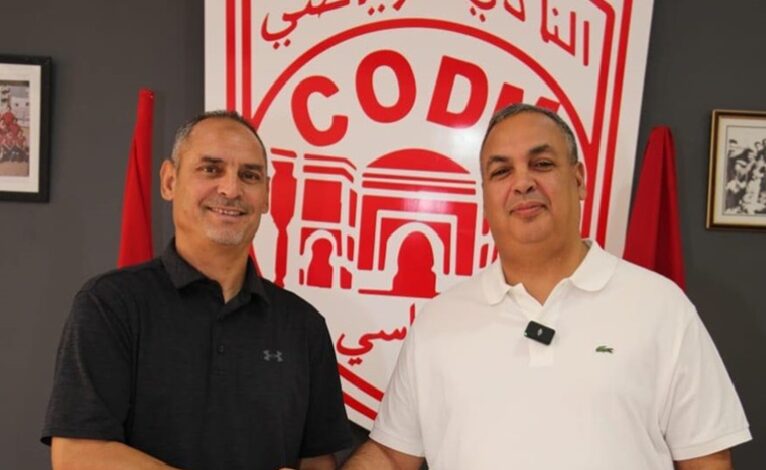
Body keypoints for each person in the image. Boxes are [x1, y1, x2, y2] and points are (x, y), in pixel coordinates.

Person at [342, 103, 751, 470]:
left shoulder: (661, 307)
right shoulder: (438, 321)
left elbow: (706, 459)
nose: (522, 183)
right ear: (485, 197)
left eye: (541, 164)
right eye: (501, 171)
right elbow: (392, 457)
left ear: (579, 179)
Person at [42, 111, 351, 470]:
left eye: (249, 175)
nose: (231, 189)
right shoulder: (111, 305)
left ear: (266, 195)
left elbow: (317, 461)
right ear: (169, 181)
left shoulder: (303, 325)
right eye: (211, 169)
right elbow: (78, 455)